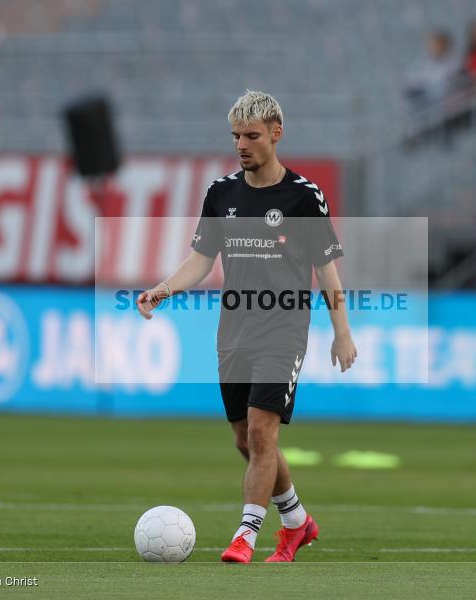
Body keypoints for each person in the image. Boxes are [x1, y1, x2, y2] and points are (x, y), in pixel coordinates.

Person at [137, 90, 357, 563]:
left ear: (276, 134)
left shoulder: (303, 197)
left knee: (262, 432)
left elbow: (327, 271)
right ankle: (297, 521)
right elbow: (201, 260)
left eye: (252, 136)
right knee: (245, 438)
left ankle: (247, 534)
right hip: (233, 331)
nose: (242, 144)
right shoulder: (221, 193)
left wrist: (342, 331)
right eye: (236, 136)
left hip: (284, 329)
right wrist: (163, 288)